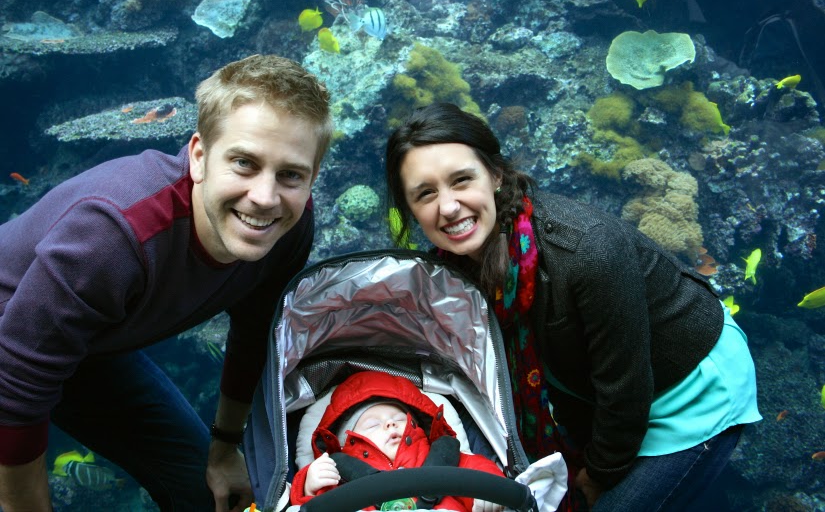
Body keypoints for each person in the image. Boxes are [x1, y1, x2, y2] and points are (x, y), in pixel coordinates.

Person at [384, 103, 762, 511]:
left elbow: (625, 388)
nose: (449, 207)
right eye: (426, 194)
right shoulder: (450, 272)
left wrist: (598, 473)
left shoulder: (586, 251)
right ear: (409, 209)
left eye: (462, 180)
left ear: (495, 175)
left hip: (689, 388)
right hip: (600, 395)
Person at [0, 54, 333, 512]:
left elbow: (256, 332)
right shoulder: (113, 234)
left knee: (207, 494)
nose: (265, 197)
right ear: (198, 156)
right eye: (243, 163)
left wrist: (223, 451)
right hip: (11, 353)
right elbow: (15, 389)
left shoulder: (289, 227)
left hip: (87, 352)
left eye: (291, 174)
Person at [290, 370, 506, 512]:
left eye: (399, 419)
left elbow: (476, 470)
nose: (390, 425)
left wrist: (490, 490)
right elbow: (316, 507)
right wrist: (308, 487)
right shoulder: (339, 475)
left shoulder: (441, 457)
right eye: (374, 425)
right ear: (348, 442)